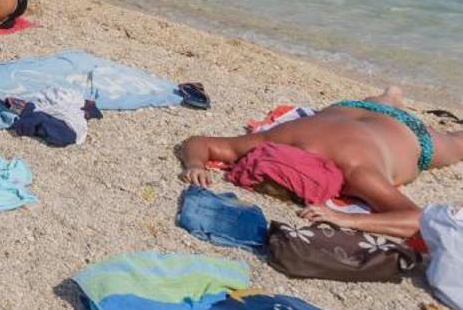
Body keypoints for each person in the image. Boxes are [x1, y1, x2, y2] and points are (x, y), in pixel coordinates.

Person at [176, 87, 462, 216]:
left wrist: (344, 218)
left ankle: (392, 98)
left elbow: (414, 217)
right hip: (352, 109)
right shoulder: (278, 140)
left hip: (410, 132)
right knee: (384, 102)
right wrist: (194, 164)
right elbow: (199, 143)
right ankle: (391, 96)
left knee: (455, 144)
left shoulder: (358, 174)